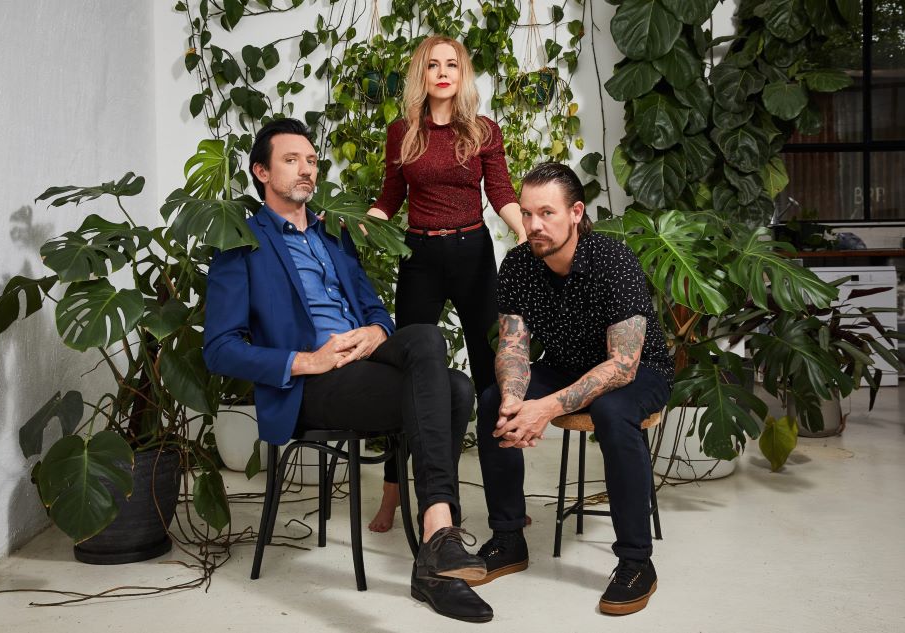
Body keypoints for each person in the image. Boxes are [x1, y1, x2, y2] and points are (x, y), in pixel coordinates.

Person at [203, 118, 493, 623]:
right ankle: (438, 550)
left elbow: (374, 308)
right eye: (291, 160)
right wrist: (307, 360)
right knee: (453, 389)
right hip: (312, 384)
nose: (306, 169)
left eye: (311, 160)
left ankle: (437, 538)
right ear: (261, 172)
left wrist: (377, 331)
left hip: (364, 362)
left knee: (438, 356)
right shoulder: (240, 244)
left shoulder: (334, 235)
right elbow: (219, 349)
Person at [471, 162, 673, 616]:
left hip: (639, 371)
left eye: (547, 213)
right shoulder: (520, 263)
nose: (534, 225)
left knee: (612, 412)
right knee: (492, 401)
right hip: (564, 366)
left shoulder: (613, 260)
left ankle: (636, 562)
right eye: (527, 213)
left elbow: (622, 366)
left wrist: (543, 409)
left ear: (576, 213)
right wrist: (514, 400)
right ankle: (508, 537)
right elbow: (513, 346)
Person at [365, 34, 526, 532]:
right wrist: (359, 222)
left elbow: (500, 191)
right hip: (420, 256)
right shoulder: (402, 132)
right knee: (410, 376)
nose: (442, 73)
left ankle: (507, 504)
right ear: (422, 74)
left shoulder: (482, 130)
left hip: (473, 252)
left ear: (462, 73)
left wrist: (524, 233)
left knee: (492, 376)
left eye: (451, 65)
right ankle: (393, 494)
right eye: (433, 65)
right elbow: (389, 197)